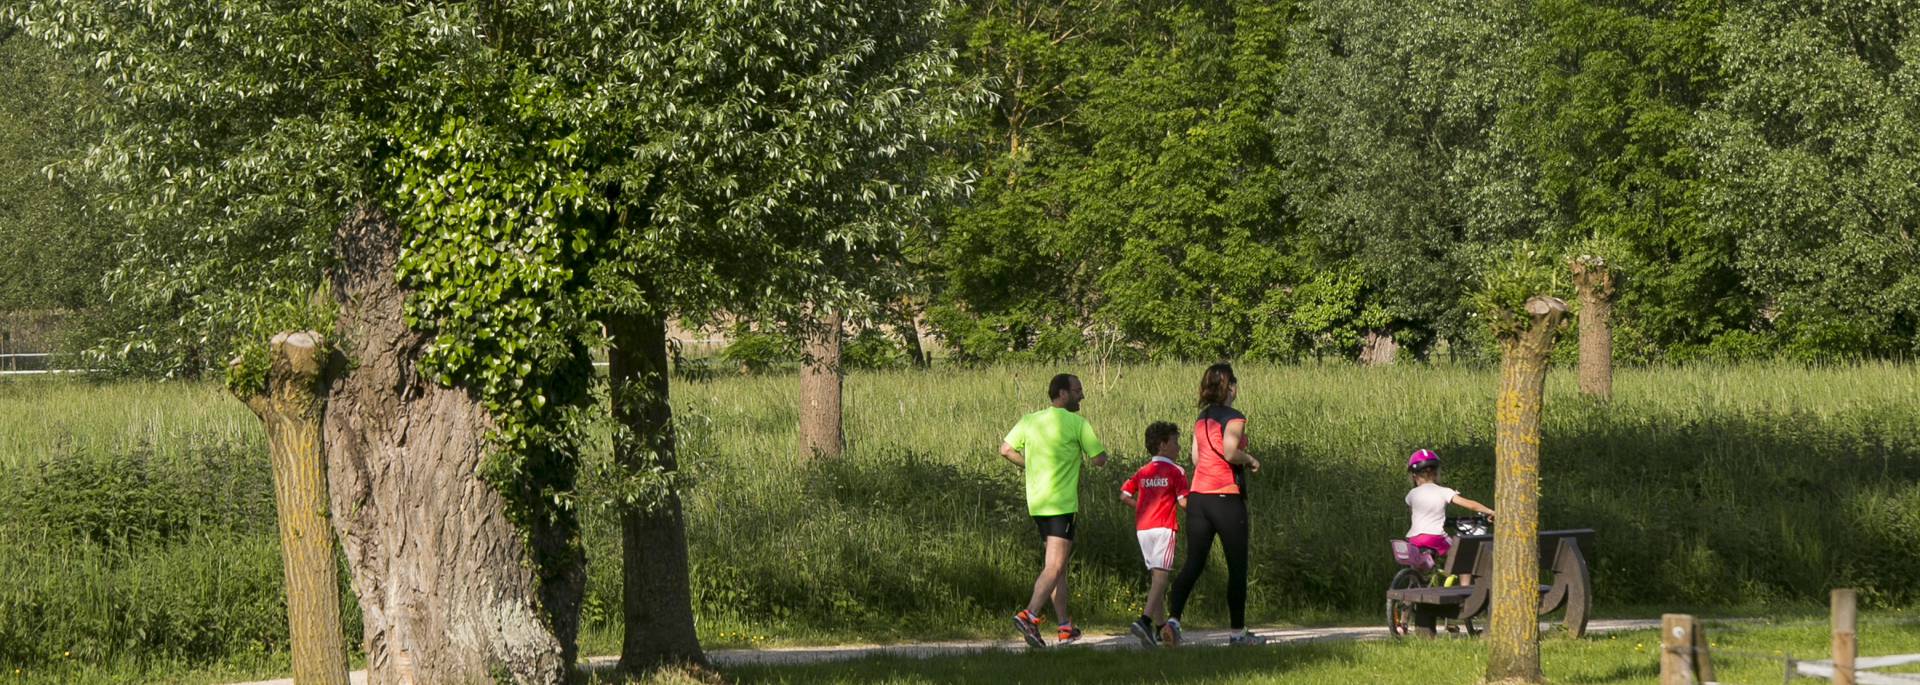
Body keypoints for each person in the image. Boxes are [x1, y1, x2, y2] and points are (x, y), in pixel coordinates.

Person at [1000, 373, 1108, 648]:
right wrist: (1099, 453)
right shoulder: (1077, 423)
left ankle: (1064, 627)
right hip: (1062, 505)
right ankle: (1029, 614)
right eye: (1077, 390)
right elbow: (1099, 461)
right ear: (1062, 393)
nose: (1082, 395)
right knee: (1056, 565)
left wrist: (1032, 466)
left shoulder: (1030, 420)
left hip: (1038, 504)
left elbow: (1005, 449)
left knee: (1057, 567)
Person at [1165, 362, 1264, 647]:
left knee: (1194, 563)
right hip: (1225, 498)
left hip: (1199, 498)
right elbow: (1231, 451)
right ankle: (1237, 633)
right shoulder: (1234, 417)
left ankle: (1173, 621)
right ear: (1230, 386)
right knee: (1237, 567)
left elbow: (1197, 459)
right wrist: (1251, 459)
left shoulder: (1202, 418)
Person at [1121, 421, 1189, 647]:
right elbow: (1183, 502)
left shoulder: (1142, 471)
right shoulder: (1176, 471)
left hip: (1143, 528)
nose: (1179, 447)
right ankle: (1144, 620)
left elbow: (1124, 495)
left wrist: (1140, 506)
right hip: (1164, 527)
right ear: (1163, 445)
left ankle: (1159, 629)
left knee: (1155, 578)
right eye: (1175, 442)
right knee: (1162, 578)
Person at [1405, 449, 1495, 585]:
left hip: (1413, 539)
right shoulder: (1443, 491)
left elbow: (1417, 515)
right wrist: (1490, 511)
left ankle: (1411, 591)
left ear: (1414, 476)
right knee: (1463, 553)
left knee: (1418, 566)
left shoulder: (1411, 494)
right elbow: (1470, 505)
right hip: (1435, 537)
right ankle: (1465, 589)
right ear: (1435, 474)